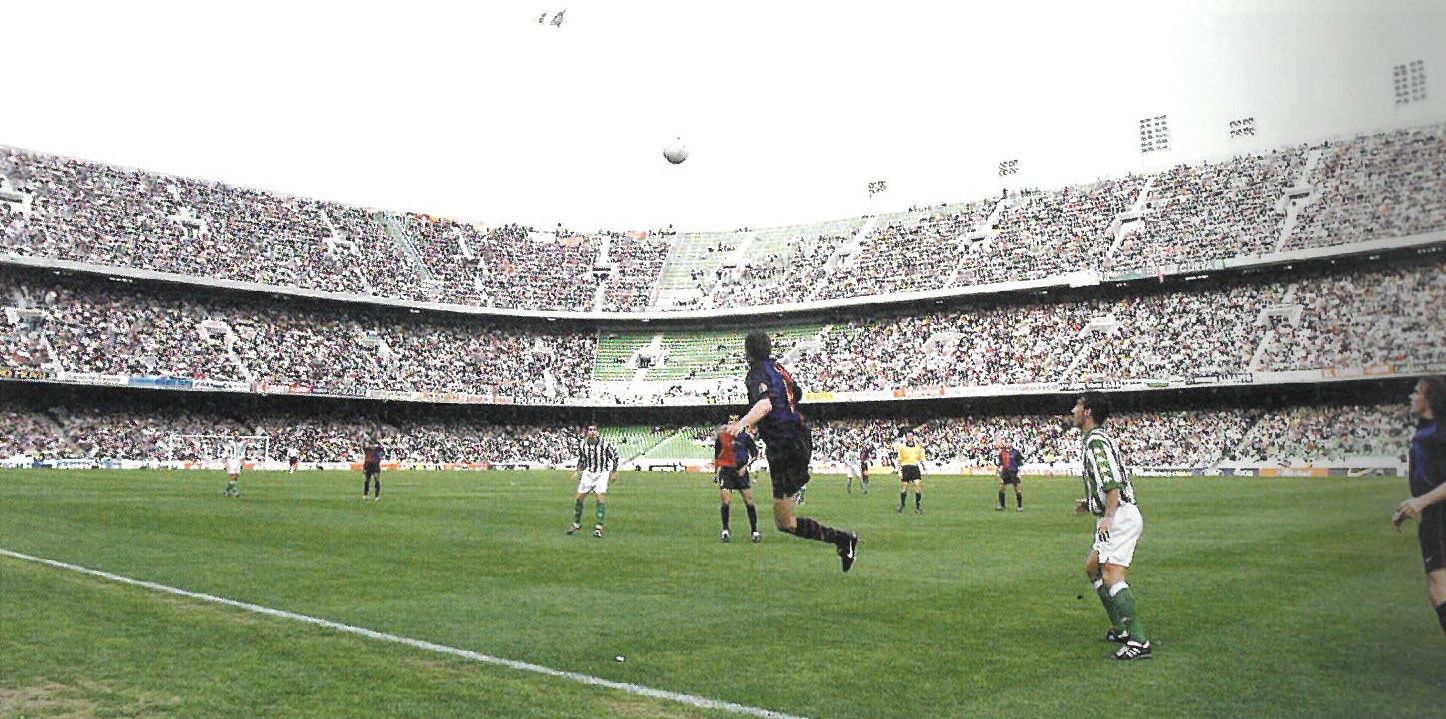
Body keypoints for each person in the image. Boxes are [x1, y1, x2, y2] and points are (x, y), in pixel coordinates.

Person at [725, 330, 858, 572]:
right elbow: (796, 393)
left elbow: (765, 403)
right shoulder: (778, 368)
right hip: (796, 438)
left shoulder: (756, 373)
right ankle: (843, 540)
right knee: (784, 522)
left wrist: (743, 423)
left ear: (748, 352)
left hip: (785, 447)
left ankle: (843, 539)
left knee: (785, 523)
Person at [1069, 392, 1152, 660]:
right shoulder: (1096, 440)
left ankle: (1139, 642)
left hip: (1120, 516)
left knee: (1112, 576)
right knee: (1093, 568)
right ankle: (1121, 629)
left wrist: (1108, 515)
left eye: (1078, 406)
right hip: (1114, 512)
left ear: (1088, 412)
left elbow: (1112, 481)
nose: (1074, 410)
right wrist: (1091, 503)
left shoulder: (1095, 443)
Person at [1391, 376, 1446, 640]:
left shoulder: (1436, 434)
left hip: (1440, 517)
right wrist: (1410, 506)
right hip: (1434, 513)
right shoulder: (1428, 431)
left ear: (1429, 400)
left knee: (1439, 587)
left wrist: (1422, 502)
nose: (1412, 396)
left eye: (1417, 392)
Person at [714, 419, 762, 543]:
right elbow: (717, 455)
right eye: (730, 423)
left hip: (741, 473)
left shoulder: (745, 438)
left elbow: (755, 454)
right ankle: (725, 530)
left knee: (749, 501)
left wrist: (745, 467)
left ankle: (754, 531)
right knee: (726, 500)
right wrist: (716, 472)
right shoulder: (722, 437)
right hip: (726, 472)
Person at [569, 425, 618, 538]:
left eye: (594, 430)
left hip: (601, 473)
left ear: (598, 432)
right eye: (590, 430)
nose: (592, 432)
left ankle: (599, 527)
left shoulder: (604, 445)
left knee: (599, 497)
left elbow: (615, 456)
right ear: (587, 432)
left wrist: (614, 471)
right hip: (588, 473)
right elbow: (582, 459)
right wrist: (578, 471)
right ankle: (576, 523)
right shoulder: (583, 445)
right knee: (579, 498)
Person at [897, 433, 925, 514]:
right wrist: (899, 470)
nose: (909, 437)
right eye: (908, 436)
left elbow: (920, 458)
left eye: (911, 436)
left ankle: (917, 506)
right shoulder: (902, 447)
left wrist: (924, 467)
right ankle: (902, 505)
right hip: (905, 467)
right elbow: (899, 459)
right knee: (905, 487)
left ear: (913, 437)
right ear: (906, 437)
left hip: (914, 467)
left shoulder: (917, 447)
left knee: (917, 485)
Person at [996, 439, 1025, 512]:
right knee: (1001, 489)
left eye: (1009, 442)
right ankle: (1002, 506)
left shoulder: (1016, 452)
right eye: (1007, 442)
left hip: (1014, 472)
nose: (1008, 443)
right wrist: (998, 472)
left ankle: (1019, 506)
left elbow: (1020, 463)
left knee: (1017, 490)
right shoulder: (1002, 452)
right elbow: (1000, 463)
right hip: (1005, 472)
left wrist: (1019, 473)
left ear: (1012, 443)